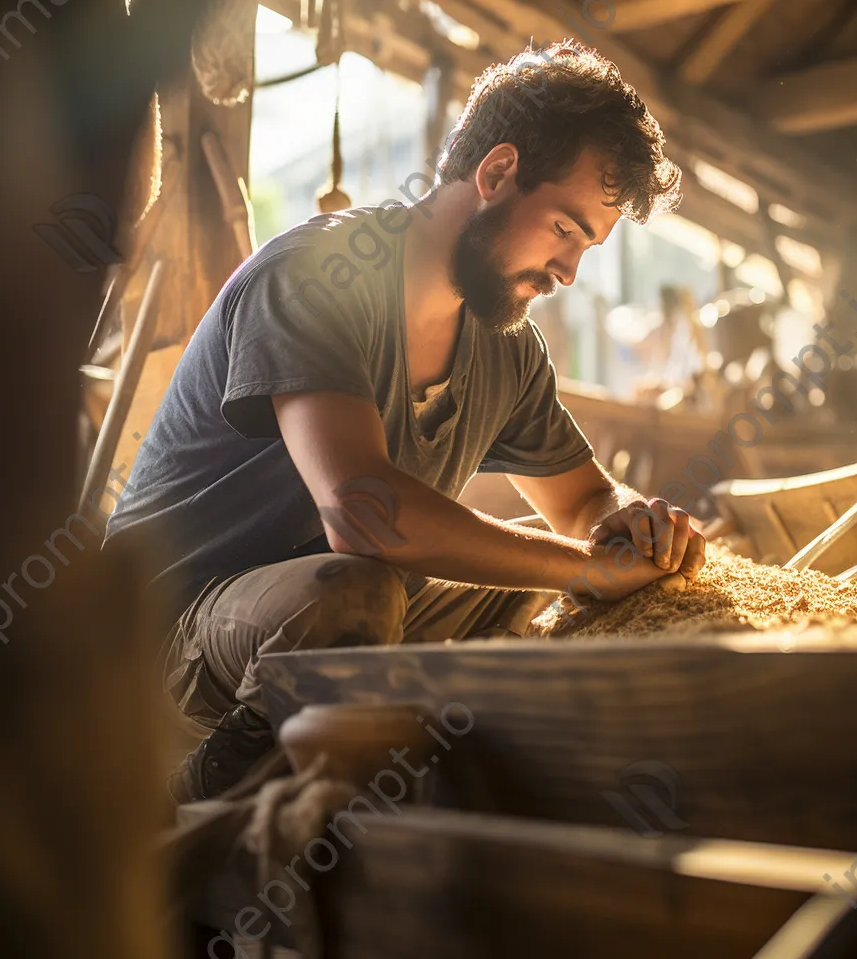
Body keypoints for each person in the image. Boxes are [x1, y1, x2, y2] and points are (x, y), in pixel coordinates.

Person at [104, 42, 708, 802]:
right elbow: (363, 512)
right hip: (165, 631)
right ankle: (189, 809)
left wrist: (628, 526)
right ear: (495, 173)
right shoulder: (317, 276)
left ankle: (438, 797)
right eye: (565, 228)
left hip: (330, 615)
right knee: (354, 593)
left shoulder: (507, 347)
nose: (569, 272)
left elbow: (584, 504)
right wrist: (583, 564)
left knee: (547, 600)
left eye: (586, 246)